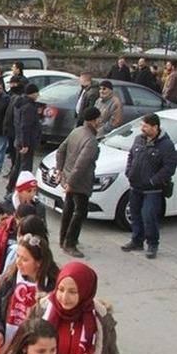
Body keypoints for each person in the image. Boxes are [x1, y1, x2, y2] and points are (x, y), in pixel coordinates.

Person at [29, 262, 120, 354]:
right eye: (61, 289)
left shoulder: (101, 320)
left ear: (85, 291)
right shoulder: (42, 310)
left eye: (72, 292)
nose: (64, 297)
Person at [0, 234, 60, 346]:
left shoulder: (54, 287)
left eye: (24, 259)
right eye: (17, 256)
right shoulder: (9, 279)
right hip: (8, 345)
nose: (18, 262)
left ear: (38, 263)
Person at [122, 113, 177, 259]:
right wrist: (129, 171)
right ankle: (136, 240)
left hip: (153, 190)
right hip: (135, 186)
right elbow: (131, 156)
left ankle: (152, 244)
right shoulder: (138, 139)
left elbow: (169, 167)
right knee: (135, 215)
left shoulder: (166, 145)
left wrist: (154, 180)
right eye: (142, 125)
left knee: (149, 216)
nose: (142, 129)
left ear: (155, 127)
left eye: (145, 126)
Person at [55, 107, 101, 258]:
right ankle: (70, 243)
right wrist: (71, 183)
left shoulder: (77, 131)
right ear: (94, 120)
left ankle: (63, 239)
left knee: (68, 209)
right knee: (80, 212)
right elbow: (81, 165)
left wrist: (60, 170)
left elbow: (61, 149)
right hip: (79, 182)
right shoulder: (90, 140)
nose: (100, 122)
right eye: (99, 119)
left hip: (69, 177)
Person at [7, 84, 41, 193]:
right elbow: (26, 126)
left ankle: (11, 187)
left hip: (19, 139)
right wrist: (26, 144)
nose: (38, 95)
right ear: (32, 93)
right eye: (37, 93)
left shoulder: (20, 104)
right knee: (25, 168)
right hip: (26, 142)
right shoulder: (29, 107)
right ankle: (22, 189)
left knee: (17, 166)